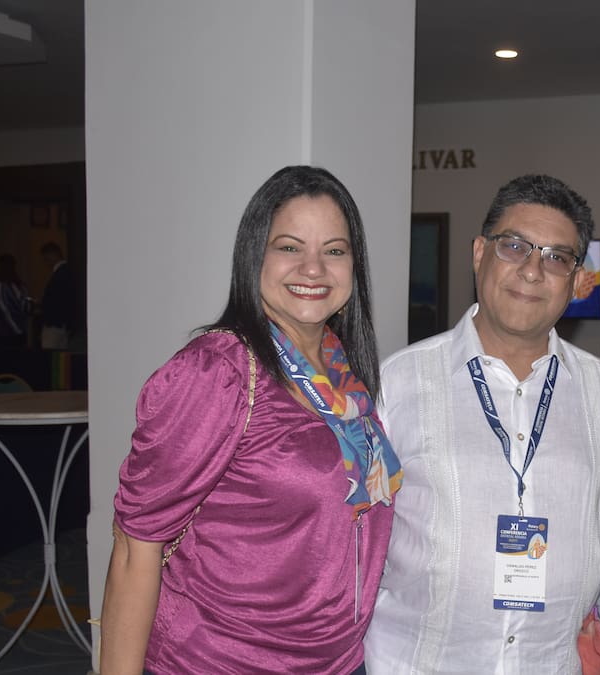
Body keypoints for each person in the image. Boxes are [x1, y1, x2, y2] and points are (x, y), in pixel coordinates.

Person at [99, 166, 402, 674]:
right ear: (253, 255)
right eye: (289, 247)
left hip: (338, 662)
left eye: (334, 250)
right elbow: (136, 549)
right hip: (220, 660)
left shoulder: (344, 374)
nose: (313, 268)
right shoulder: (218, 372)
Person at [364, 175, 600, 673]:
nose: (532, 271)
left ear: (575, 280)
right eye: (515, 246)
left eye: (556, 257)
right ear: (480, 252)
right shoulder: (398, 382)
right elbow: (359, 535)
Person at [39, 242, 74, 350]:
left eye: (46, 258)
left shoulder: (60, 274)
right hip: (63, 324)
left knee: (50, 356)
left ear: (53, 255)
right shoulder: (68, 272)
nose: (46, 262)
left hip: (54, 324)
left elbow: (55, 300)